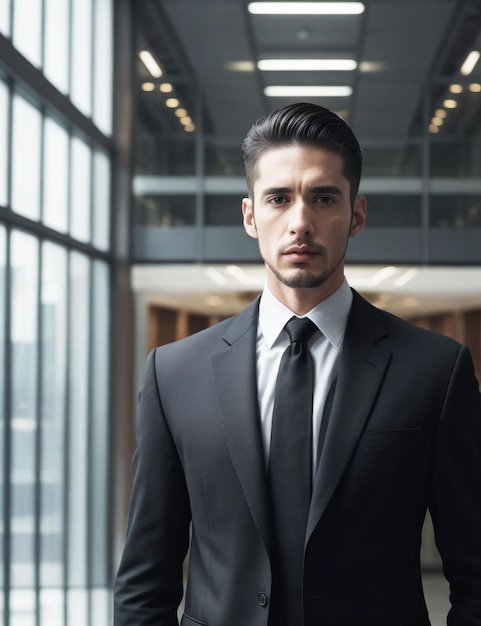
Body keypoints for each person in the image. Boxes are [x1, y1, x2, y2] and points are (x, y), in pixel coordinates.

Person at [114, 103, 481, 626]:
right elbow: (145, 580)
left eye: (324, 197)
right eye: (279, 198)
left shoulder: (435, 371)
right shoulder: (174, 374)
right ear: (250, 216)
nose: (300, 222)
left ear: (356, 216)